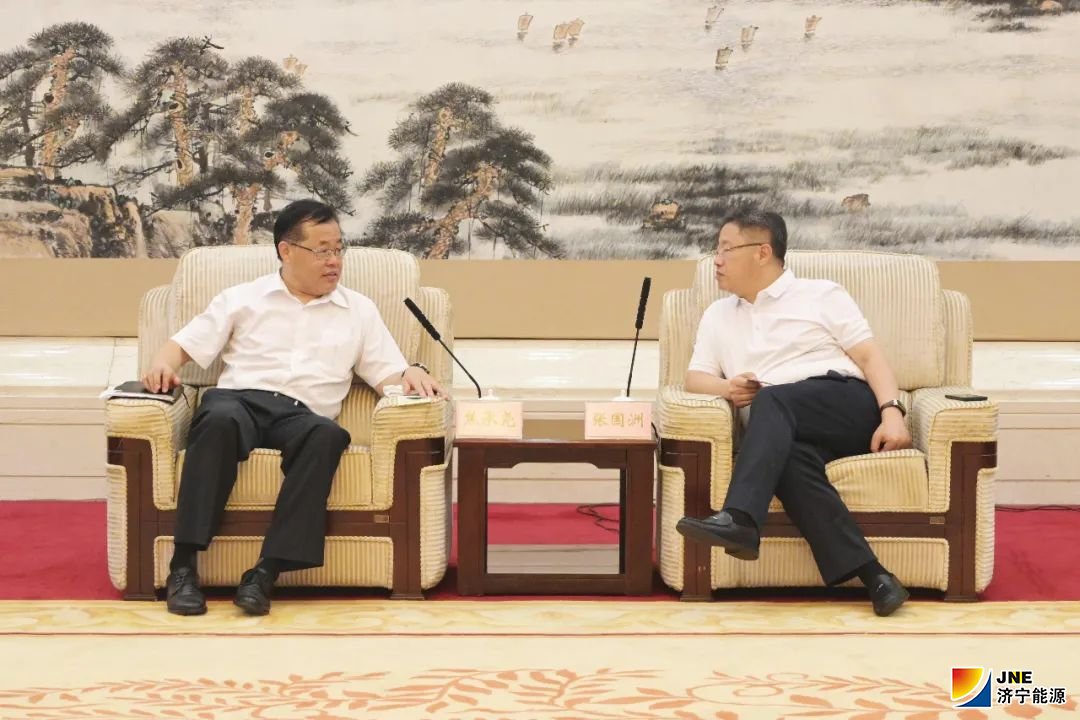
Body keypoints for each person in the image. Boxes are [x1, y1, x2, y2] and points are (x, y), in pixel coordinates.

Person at [141, 199, 444, 617]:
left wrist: (411, 372)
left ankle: (265, 572)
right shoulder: (243, 298)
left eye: (338, 249)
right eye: (321, 250)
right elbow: (182, 346)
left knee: (329, 435)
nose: (334, 261)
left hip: (303, 416)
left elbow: (387, 374)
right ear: (286, 250)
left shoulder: (358, 310)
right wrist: (161, 364)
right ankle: (183, 566)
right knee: (218, 419)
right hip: (240, 402)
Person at [675, 210, 912, 616]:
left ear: (762, 252)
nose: (717, 260)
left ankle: (740, 517)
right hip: (783, 424)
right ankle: (877, 577)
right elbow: (695, 377)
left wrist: (893, 413)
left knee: (772, 399)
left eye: (727, 249)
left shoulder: (821, 294)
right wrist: (727, 389)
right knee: (789, 462)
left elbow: (870, 357)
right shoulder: (718, 314)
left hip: (844, 404)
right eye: (717, 250)